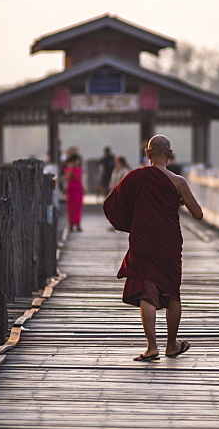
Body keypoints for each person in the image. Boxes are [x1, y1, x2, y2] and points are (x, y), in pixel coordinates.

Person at [103, 135, 203, 361]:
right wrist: (178, 201)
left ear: (148, 154)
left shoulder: (135, 177)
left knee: (146, 292)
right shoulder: (178, 182)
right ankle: (171, 345)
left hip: (143, 238)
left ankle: (151, 347)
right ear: (169, 155)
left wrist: (133, 220)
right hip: (169, 241)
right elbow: (198, 214)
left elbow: (113, 204)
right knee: (172, 289)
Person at [64, 153, 84, 232]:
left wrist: (82, 188)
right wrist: (71, 168)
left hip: (78, 188)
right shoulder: (68, 169)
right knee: (71, 207)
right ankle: (71, 224)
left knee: (78, 206)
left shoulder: (79, 169)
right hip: (71, 189)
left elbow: (80, 178)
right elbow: (69, 177)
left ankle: (78, 224)